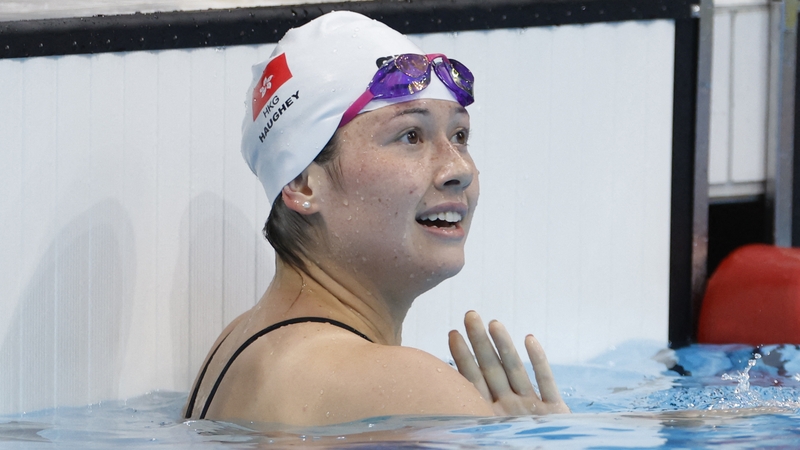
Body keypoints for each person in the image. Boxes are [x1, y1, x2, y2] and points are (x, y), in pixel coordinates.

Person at [183, 10, 569, 425]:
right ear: (302, 182)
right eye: (411, 136)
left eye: (459, 136)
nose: (460, 169)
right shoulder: (408, 386)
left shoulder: (236, 345)